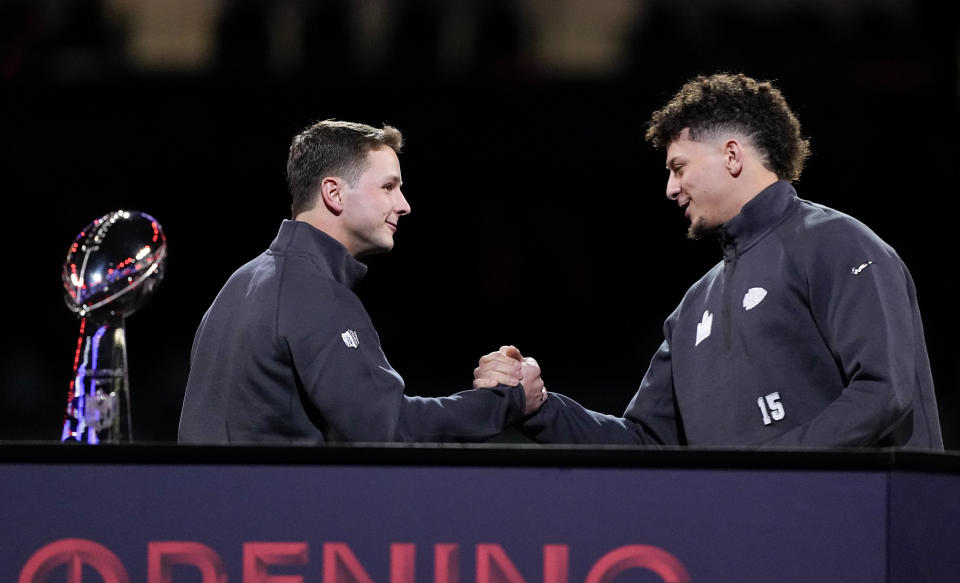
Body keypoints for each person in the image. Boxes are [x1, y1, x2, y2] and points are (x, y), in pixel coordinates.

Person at [475, 73, 943, 449]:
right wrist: (540, 407)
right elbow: (644, 441)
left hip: (862, 544)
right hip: (742, 548)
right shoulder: (694, 307)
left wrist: (758, 478)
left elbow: (883, 393)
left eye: (679, 167)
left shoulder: (841, 245)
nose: (670, 188)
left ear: (733, 156)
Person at [179, 119, 545, 443]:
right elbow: (389, 429)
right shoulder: (314, 292)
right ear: (334, 193)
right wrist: (507, 401)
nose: (404, 204)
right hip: (271, 515)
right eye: (388, 187)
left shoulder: (241, 282)